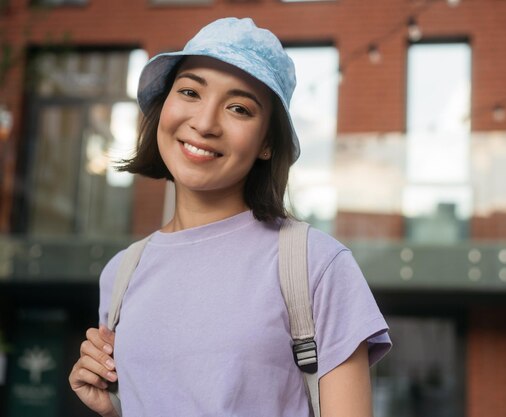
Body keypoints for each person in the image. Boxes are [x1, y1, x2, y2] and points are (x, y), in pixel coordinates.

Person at [68, 17, 391, 417]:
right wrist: (116, 407)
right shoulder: (121, 274)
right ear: (164, 106)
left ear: (267, 143)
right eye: (189, 92)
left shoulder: (315, 264)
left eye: (238, 108)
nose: (204, 123)